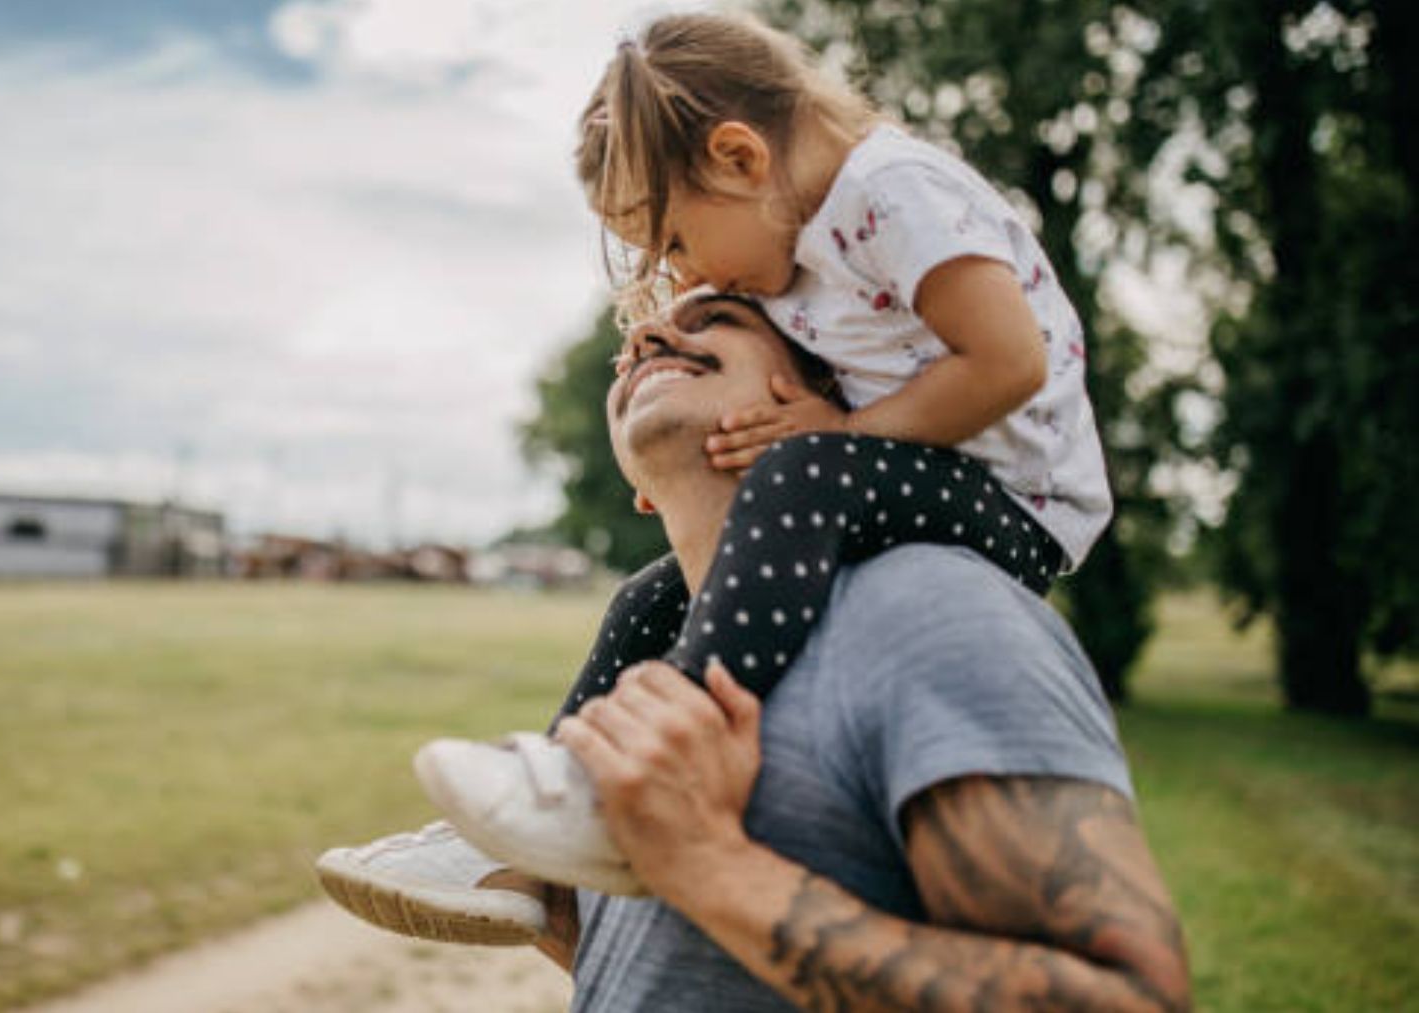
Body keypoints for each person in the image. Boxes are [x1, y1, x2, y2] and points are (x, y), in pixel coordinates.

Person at [326, 290, 1190, 1011]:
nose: (650, 335)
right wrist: (576, 917)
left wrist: (708, 865)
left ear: (821, 390)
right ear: (634, 484)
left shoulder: (933, 609)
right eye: (634, 349)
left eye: (718, 318)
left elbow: (1130, 999)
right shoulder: (648, 654)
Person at [414, 9, 1114, 891]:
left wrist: (846, 435)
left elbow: (1010, 363)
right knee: (645, 598)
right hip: (913, 477)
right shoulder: (796, 240)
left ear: (741, 159)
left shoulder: (894, 192)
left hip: (1017, 502)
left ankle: (675, 748)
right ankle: (548, 811)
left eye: (673, 240)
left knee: (802, 467)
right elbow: (749, 340)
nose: (685, 277)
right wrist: (660, 344)